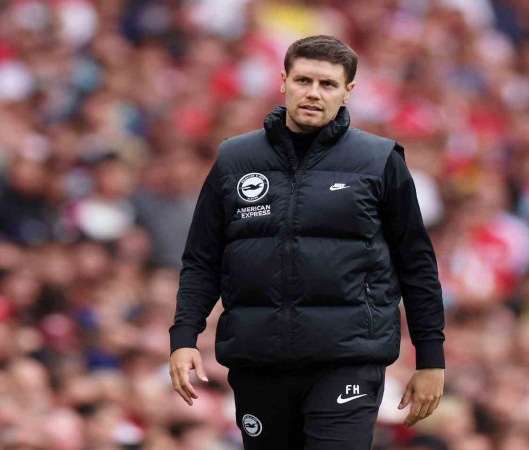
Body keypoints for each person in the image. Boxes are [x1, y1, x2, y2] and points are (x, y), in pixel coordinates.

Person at [169, 35, 445, 450]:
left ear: (348, 91)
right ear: (284, 81)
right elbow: (202, 260)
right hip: (258, 359)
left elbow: (416, 264)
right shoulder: (234, 160)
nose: (313, 93)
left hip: (348, 360)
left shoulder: (379, 161)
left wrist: (431, 359)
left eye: (328, 84)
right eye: (303, 80)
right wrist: (185, 337)